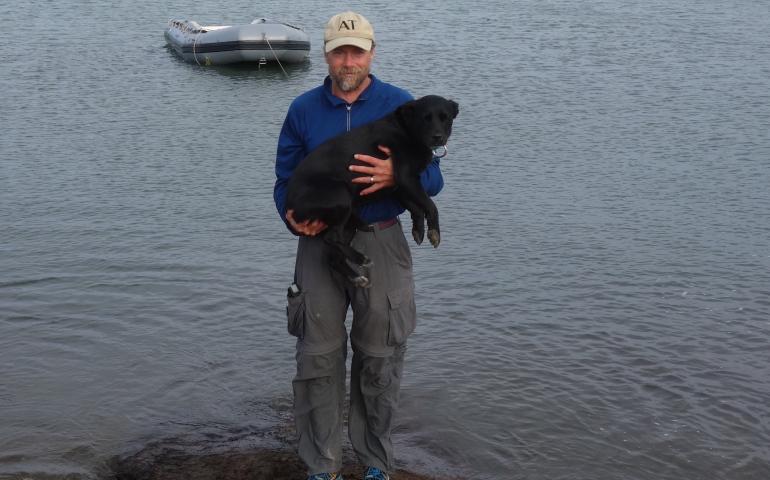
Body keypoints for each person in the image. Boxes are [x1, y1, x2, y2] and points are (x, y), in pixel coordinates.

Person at [273, 11, 444, 480]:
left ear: (372, 53)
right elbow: (285, 179)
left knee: (380, 357)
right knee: (317, 355)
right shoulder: (303, 110)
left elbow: (434, 176)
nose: (348, 61)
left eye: (357, 51)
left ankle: (374, 464)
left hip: (384, 239)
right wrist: (290, 219)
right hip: (321, 243)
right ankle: (320, 466)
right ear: (326, 55)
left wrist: (395, 176)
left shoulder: (403, 105)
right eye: (339, 51)